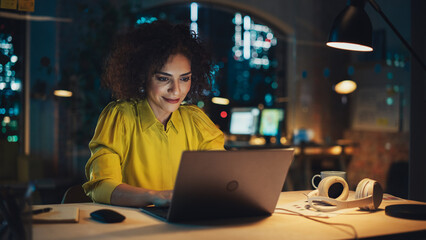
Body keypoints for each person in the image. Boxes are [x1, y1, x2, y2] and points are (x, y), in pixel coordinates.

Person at [82, 20, 225, 208]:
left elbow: (224, 175)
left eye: (184, 79)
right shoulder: (120, 117)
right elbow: (101, 186)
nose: (176, 90)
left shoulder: (196, 120)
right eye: (164, 79)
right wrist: (155, 197)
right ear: (142, 77)